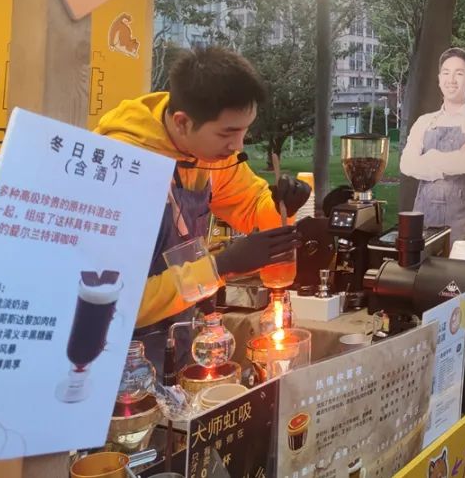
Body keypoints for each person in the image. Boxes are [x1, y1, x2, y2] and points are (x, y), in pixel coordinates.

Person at [94, 47, 310, 364]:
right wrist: (220, 267)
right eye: (227, 133)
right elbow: (115, 302)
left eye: (245, 131)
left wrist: (280, 206)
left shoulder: (209, 155)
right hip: (111, 355)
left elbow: (250, 205)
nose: (238, 145)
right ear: (182, 122)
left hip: (175, 335)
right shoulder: (121, 167)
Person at [400, 48, 465, 242]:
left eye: (459, 73)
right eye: (446, 72)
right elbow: (406, 164)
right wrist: (448, 160)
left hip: (462, 222)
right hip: (422, 217)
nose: (451, 79)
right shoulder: (424, 121)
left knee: (457, 262)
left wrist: (427, 159)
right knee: (420, 261)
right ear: (439, 78)